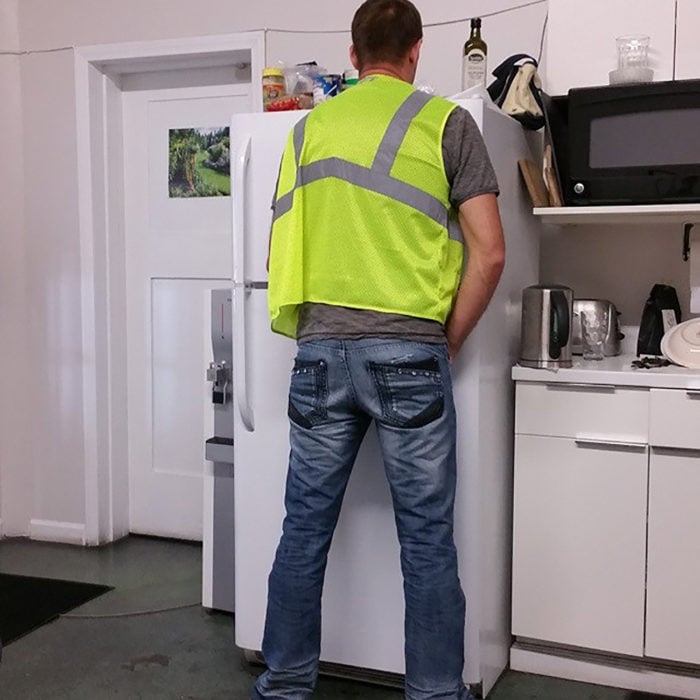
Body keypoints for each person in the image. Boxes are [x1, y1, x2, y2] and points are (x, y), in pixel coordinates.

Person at [253, 0, 505, 698]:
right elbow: (490, 254)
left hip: (318, 356)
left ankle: (285, 687)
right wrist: (446, 340)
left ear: (354, 53)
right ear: (417, 51)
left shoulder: (305, 130)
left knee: (303, 532)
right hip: (409, 355)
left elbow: (284, 245)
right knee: (426, 544)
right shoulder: (446, 124)